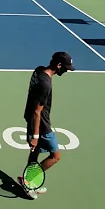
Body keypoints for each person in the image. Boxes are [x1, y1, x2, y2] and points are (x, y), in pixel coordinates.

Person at [19, 51, 75, 199]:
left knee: (35, 152)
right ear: (58, 65)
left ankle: (27, 181)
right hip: (41, 125)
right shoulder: (46, 84)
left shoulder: (39, 71)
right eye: (66, 68)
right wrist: (36, 136)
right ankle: (29, 181)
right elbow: (38, 111)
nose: (66, 71)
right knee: (55, 156)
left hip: (30, 118)